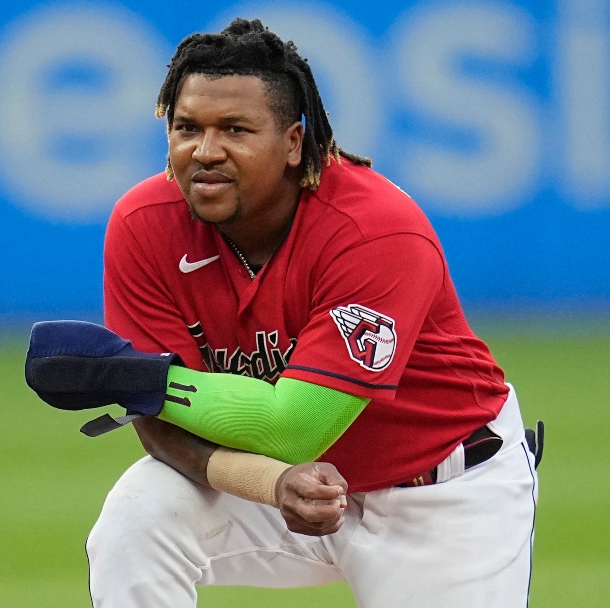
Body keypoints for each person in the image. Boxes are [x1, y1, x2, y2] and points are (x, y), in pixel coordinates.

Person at [81, 17, 540, 608]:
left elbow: (296, 428)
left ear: (294, 143)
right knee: (138, 518)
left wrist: (138, 379)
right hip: (278, 487)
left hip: (439, 488)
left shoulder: (373, 229)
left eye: (236, 129)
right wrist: (267, 482)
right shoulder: (144, 225)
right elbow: (162, 427)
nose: (206, 150)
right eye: (186, 127)